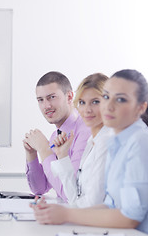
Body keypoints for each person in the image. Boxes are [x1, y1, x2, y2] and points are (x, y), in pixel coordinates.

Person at [31, 69, 148, 236]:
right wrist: (60, 210)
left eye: (119, 100)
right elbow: (100, 203)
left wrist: (67, 213)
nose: (109, 106)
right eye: (82, 103)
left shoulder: (139, 141)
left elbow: (129, 217)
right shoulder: (109, 141)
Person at [23, 71, 91, 201]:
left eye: (52, 97)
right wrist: (31, 154)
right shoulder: (56, 135)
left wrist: (44, 149)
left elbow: (70, 194)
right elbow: (40, 188)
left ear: (69, 97)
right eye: (40, 100)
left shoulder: (85, 131)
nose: (46, 106)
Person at [50, 73, 113, 207]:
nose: (87, 110)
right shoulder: (92, 141)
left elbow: (91, 205)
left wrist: (63, 213)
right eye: (82, 102)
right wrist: (62, 156)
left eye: (95, 102)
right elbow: (75, 199)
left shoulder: (107, 142)